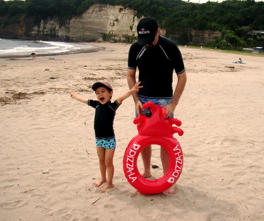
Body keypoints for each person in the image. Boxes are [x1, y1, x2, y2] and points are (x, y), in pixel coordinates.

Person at [127, 17, 187, 195]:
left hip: (164, 102)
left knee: (165, 140)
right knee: (143, 139)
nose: (146, 44)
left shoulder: (170, 47)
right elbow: (130, 75)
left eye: (149, 39)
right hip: (143, 101)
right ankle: (146, 171)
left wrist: (173, 103)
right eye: (142, 39)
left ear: (158, 32)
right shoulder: (136, 47)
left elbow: (182, 77)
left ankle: (167, 177)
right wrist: (135, 99)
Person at [70, 81, 142, 193]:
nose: (100, 94)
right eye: (97, 93)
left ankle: (110, 183)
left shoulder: (112, 106)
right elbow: (84, 100)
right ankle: (103, 178)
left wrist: (131, 91)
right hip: (99, 139)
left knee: (108, 162)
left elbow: (121, 98)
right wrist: (75, 96)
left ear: (110, 93)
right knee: (101, 160)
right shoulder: (96, 104)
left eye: (103, 92)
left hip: (109, 140)